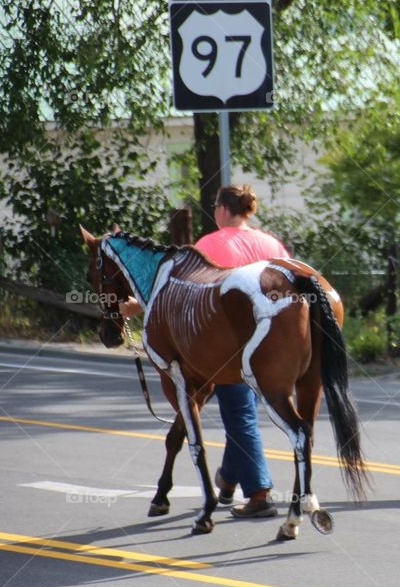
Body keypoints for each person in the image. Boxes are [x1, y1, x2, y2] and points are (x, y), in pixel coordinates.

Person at [120, 184, 288, 518]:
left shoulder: (210, 244)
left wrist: (139, 306)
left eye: (215, 206)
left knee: (239, 414)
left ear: (223, 210)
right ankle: (228, 477)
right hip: (273, 341)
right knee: (241, 414)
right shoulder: (271, 243)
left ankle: (258, 492)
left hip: (226, 343)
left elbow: (182, 292)